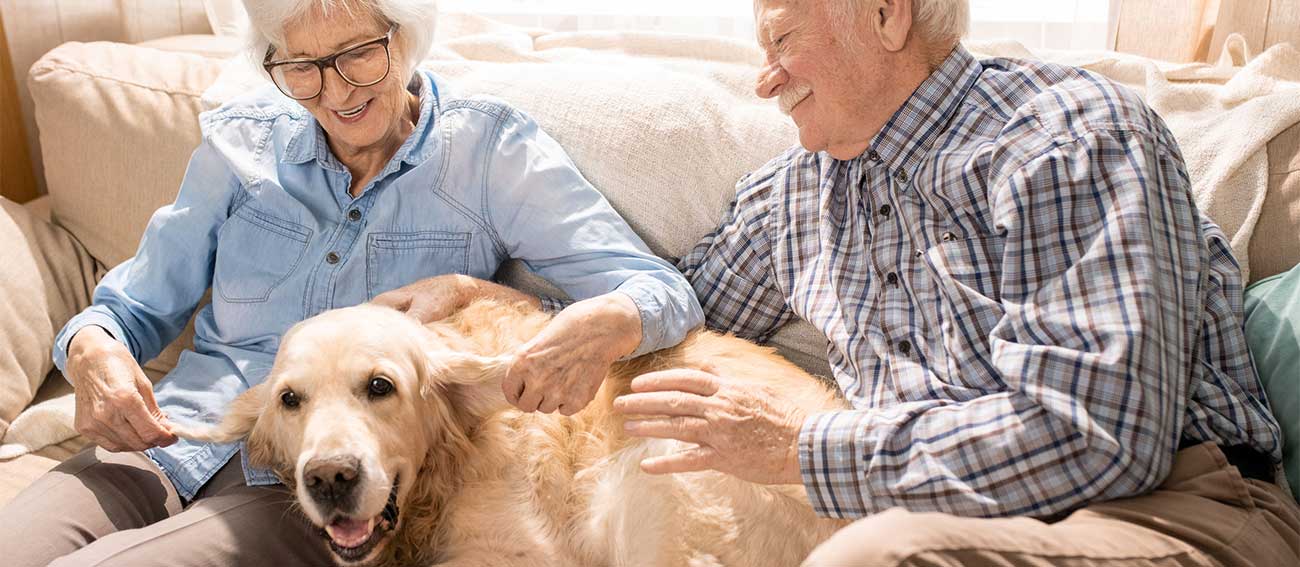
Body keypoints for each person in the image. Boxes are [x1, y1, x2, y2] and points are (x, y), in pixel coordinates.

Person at [0, 0, 701, 564]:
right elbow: (129, 306)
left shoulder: (490, 154)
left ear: (406, 38)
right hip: (167, 439)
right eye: (303, 67)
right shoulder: (240, 145)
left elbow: (659, 291)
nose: (335, 92)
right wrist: (91, 349)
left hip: (307, 481)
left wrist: (487, 294)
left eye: (359, 55)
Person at [614, 0, 1300, 565]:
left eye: (781, 39)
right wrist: (579, 315)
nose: (765, 80)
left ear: (886, 15)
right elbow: (668, 311)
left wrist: (800, 445)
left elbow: (1096, 437)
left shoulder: (1069, 134)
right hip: (937, 527)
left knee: (869, 558)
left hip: (1169, 513)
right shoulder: (787, 198)